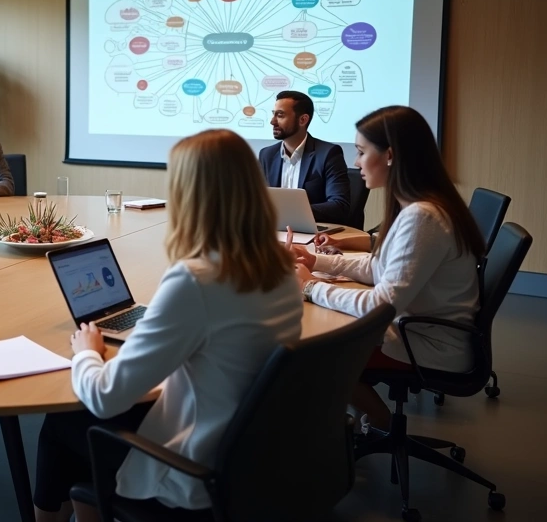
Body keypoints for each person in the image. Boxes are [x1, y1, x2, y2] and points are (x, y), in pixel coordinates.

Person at [33, 129, 303, 522]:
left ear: (189, 195)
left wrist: (87, 352)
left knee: (63, 420)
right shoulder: (281, 269)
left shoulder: (195, 279)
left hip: (196, 469)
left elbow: (105, 396)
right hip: (251, 456)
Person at [292, 106, 484, 434]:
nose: (356, 163)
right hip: (419, 329)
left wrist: (311, 287)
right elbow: (379, 267)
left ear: (390, 155)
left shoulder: (423, 217)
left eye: (362, 152)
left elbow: (380, 305)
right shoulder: (421, 204)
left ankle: (379, 422)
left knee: (311, 355)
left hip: (426, 343)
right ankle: (362, 421)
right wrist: (315, 262)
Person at [259, 90, 351, 225]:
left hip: (313, 234)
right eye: (273, 114)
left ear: (303, 120)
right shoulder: (267, 155)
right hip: (273, 233)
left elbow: (339, 205)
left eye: (280, 115)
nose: (272, 121)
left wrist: (291, 212)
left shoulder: (328, 154)